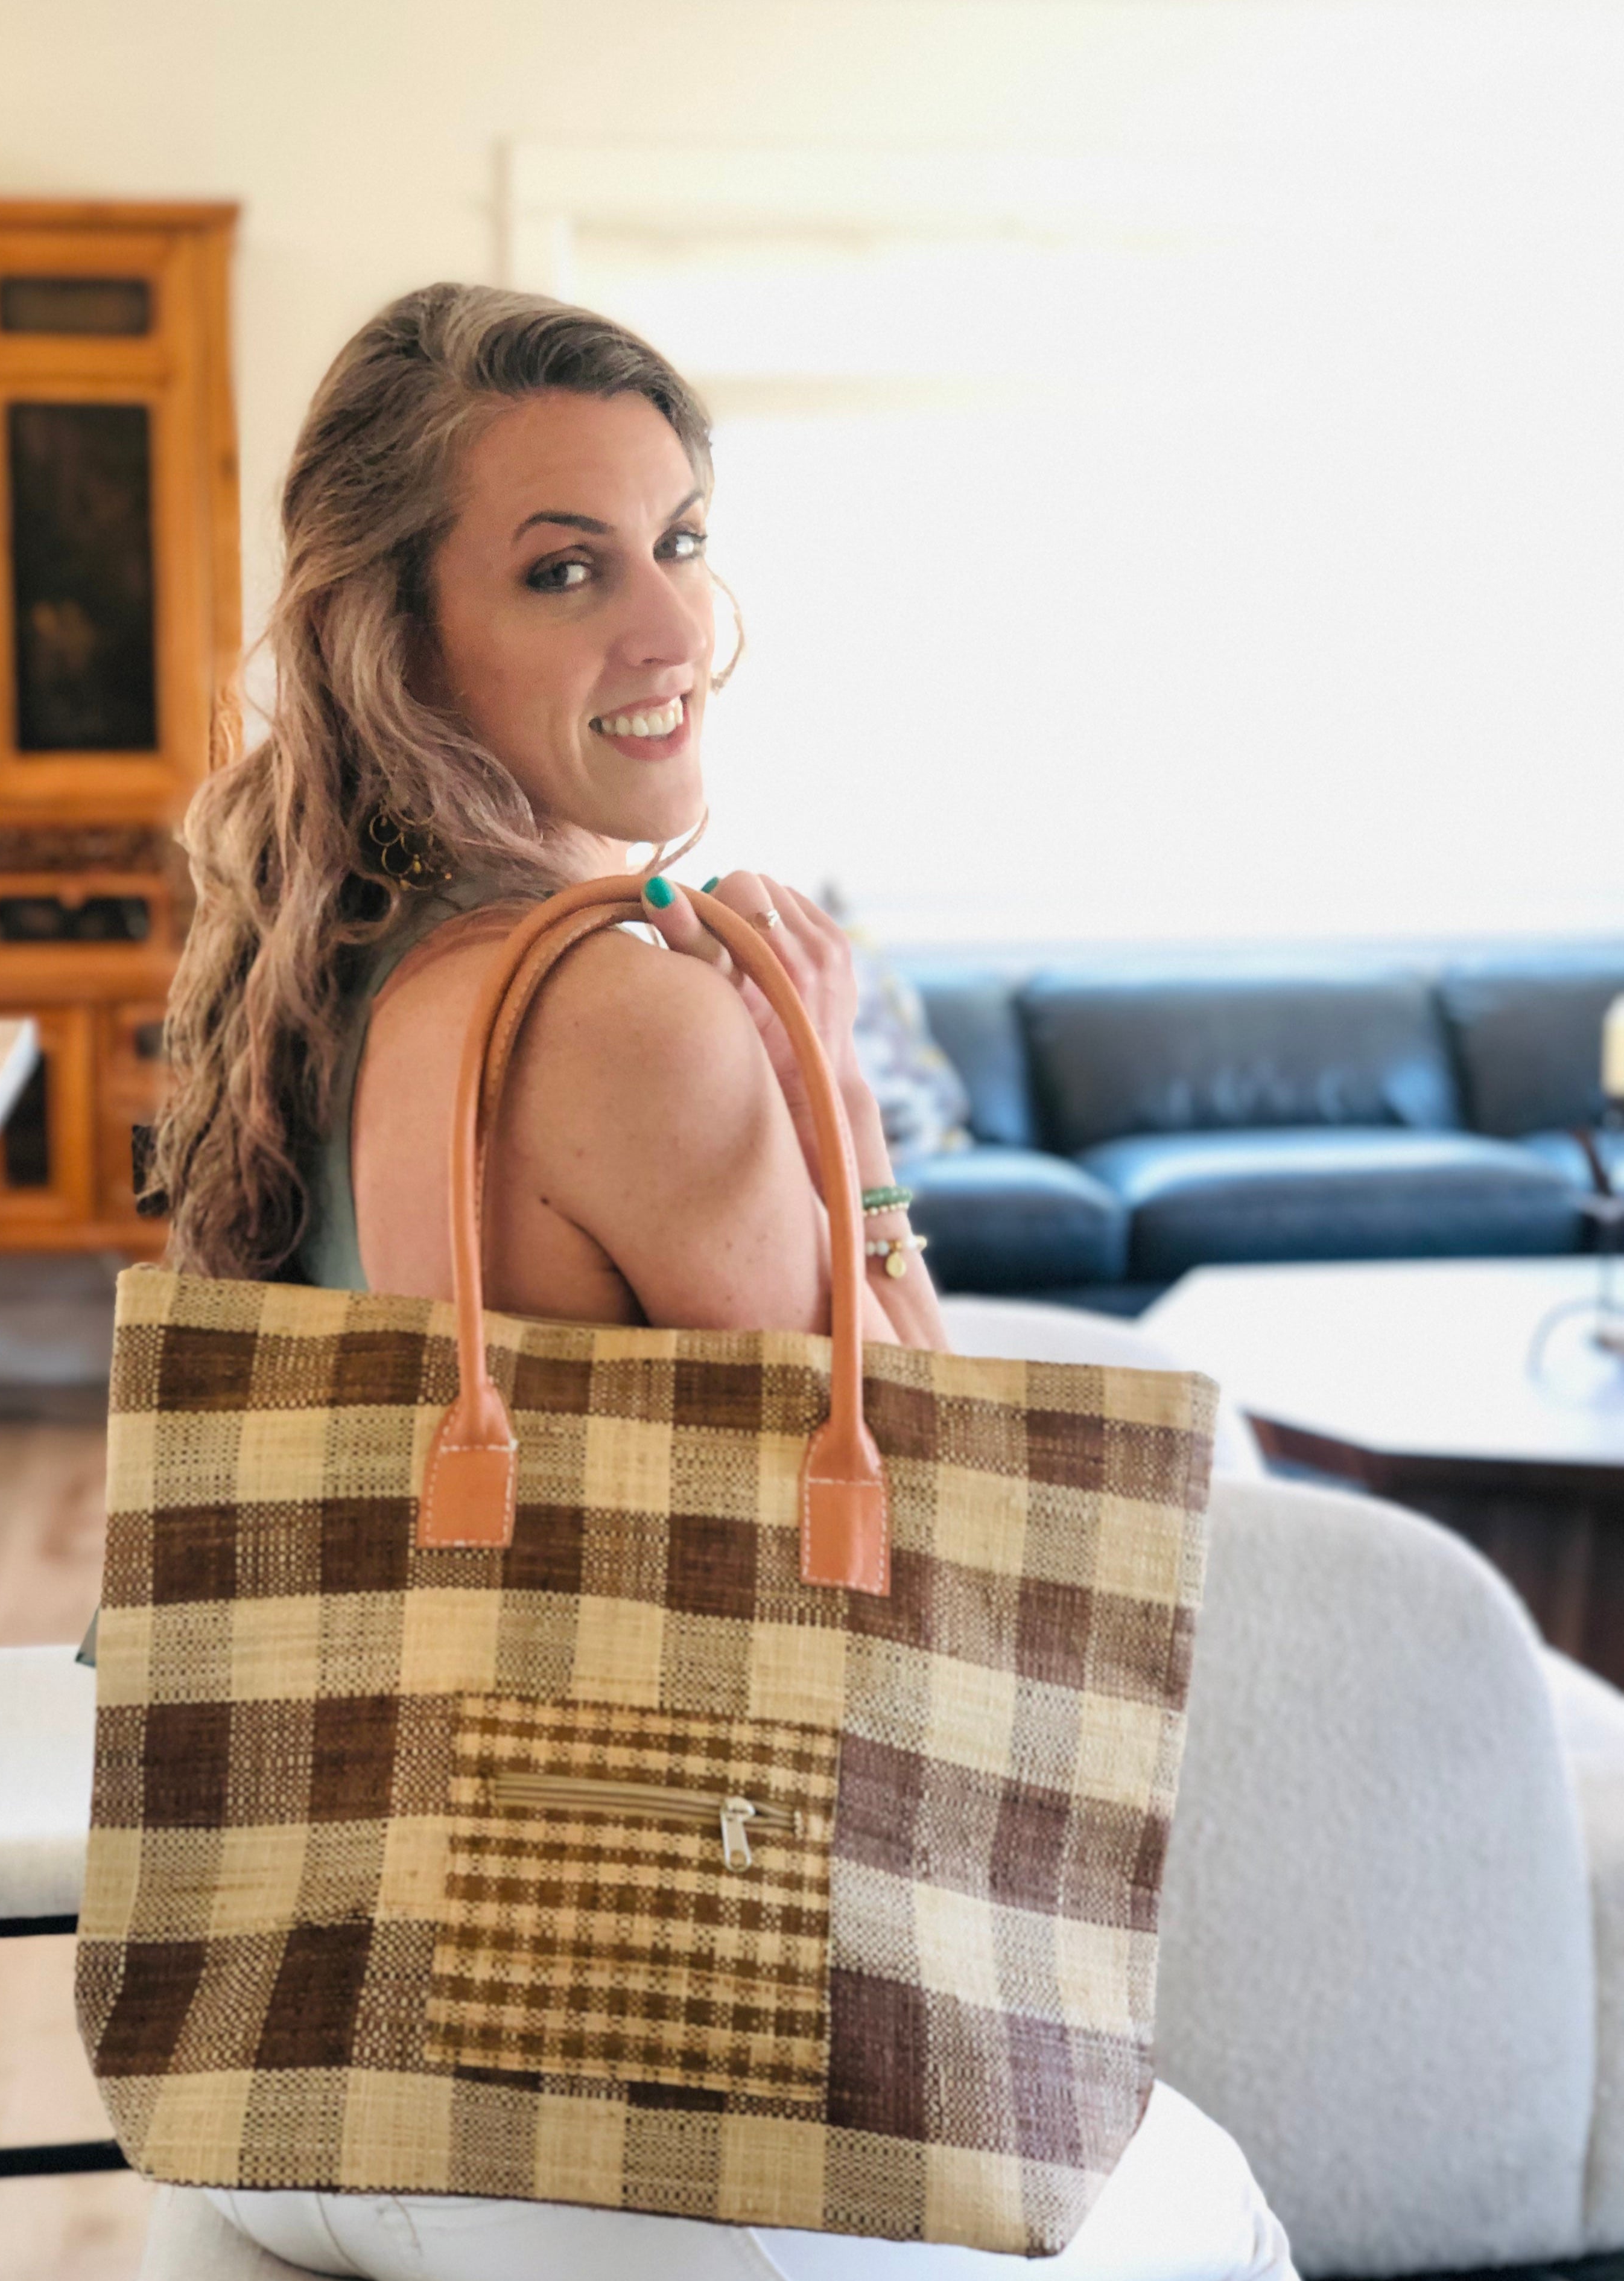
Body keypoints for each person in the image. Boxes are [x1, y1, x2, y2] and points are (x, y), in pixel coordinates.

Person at [153, 282, 1296, 2281]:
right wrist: (830, 1092)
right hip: (605, 2087)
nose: (669, 627)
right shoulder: (619, 1010)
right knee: (1218, 2211)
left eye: (678, 539)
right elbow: (944, 1530)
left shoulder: (305, 973)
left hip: (279, 2051)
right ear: (401, 634)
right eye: (565, 569)